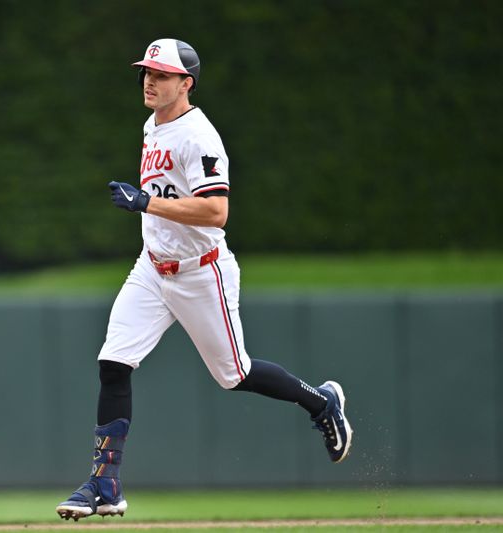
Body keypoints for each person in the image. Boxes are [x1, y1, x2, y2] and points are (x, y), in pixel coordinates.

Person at [55, 38, 353, 521]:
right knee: (114, 361)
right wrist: (151, 214)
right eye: (147, 72)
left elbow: (217, 211)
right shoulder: (152, 124)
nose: (150, 80)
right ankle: (105, 484)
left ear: (186, 83)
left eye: (163, 74)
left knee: (233, 374)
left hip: (201, 271)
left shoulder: (199, 136)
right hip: (152, 267)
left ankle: (322, 402)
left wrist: (146, 203)